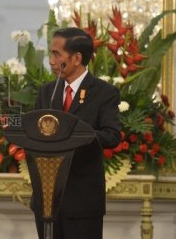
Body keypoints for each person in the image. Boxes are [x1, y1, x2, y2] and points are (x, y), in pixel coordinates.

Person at [33, 27, 121, 239]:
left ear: (77, 58)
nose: (52, 61)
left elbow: (112, 136)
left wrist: (78, 134)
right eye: (50, 53)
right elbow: (34, 132)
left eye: (57, 54)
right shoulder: (47, 91)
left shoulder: (104, 92)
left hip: (83, 200)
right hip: (46, 198)